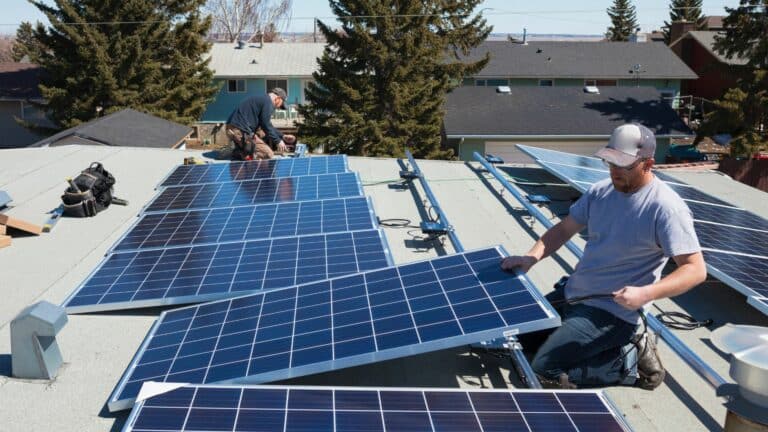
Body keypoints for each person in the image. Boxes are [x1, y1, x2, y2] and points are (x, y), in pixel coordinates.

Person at [501, 123, 706, 390]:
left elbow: (695, 269)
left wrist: (646, 294)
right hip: (575, 293)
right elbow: (564, 229)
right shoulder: (601, 191)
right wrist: (531, 257)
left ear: (648, 164)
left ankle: (627, 360)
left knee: (541, 372)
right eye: (610, 162)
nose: (614, 171)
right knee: (518, 340)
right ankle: (583, 345)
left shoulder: (666, 208)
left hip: (613, 313)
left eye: (623, 165)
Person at [226, 88, 296, 160]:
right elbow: (266, 125)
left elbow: (267, 125)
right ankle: (239, 153)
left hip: (234, 128)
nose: (278, 108)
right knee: (268, 154)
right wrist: (278, 141)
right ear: (277, 99)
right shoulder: (268, 102)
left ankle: (240, 149)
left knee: (262, 133)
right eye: (281, 105)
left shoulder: (263, 99)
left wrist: (282, 136)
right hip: (239, 131)